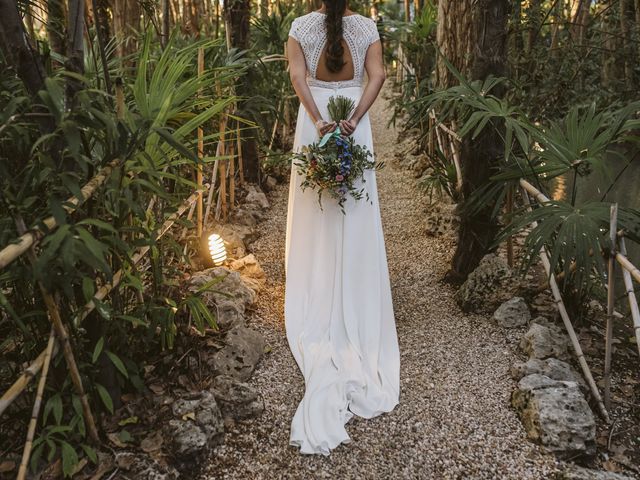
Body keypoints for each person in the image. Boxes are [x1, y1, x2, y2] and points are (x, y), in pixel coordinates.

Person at [284, 0, 400, 456]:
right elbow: (378, 76)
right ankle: (354, 289)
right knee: (353, 209)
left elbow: (297, 76)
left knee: (317, 210)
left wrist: (319, 121)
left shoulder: (299, 27)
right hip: (353, 122)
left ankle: (315, 289)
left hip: (315, 122)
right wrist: (352, 120)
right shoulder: (366, 26)